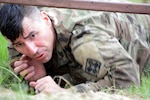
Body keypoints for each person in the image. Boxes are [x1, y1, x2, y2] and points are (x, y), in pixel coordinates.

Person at [0, 3, 149, 94]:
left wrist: (68, 93)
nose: (31, 50)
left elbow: (128, 79)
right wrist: (41, 78)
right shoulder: (19, 40)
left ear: (45, 19)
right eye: (19, 44)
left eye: (33, 36)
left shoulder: (85, 38)